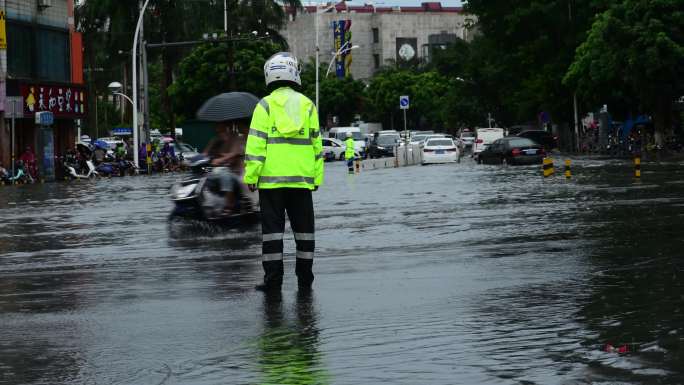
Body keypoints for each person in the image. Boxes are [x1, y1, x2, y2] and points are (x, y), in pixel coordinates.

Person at [244, 52, 323, 292]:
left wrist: (251, 176)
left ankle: (273, 281)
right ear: (294, 75)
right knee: (305, 233)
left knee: (272, 234)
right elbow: (316, 145)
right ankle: (305, 279)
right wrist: (316, 178)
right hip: (301, 182)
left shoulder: (264, 106)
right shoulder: (308, 105)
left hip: (271, 183)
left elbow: (256, 144)